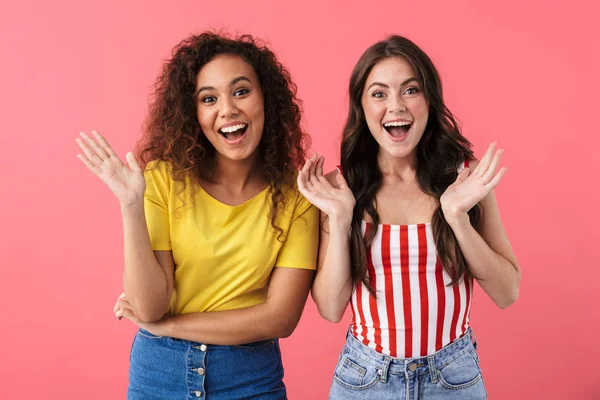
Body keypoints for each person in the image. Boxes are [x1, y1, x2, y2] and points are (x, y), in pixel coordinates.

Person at [76, 32, 318, 400]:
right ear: (194, 114)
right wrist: (130, 207)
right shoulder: (162, 180)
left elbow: (280, 319)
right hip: (160, 374)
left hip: (249, 378)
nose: (228, 109)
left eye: (241, 92)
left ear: (267, 99)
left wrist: (169, 325)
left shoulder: (297, 196)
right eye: (209, 99)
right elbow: (148, 306)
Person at [298, 35, 520, 399]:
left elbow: (507, 292)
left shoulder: (465, 177)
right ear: (362, 106)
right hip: (365, 379)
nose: (396, 106)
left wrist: (457, 218)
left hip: (453, 377)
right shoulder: (341, 188)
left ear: (429, 100)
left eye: (410, 90)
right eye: (379, 93)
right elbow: (330, 308)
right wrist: (339, 220)